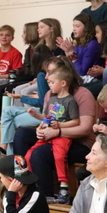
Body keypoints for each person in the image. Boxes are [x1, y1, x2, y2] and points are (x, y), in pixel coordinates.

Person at [13, 58, 96, 200]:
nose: (46, 77)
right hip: (54, 135)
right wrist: (41, 129)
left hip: (79, 142)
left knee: (40, 153)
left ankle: (46, 196)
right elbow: (48, 117)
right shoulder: (50, 94)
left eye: (50, 72)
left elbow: (85, 129)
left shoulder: (83, 94)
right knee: (21, 134)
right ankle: (23, 182)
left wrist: (58, 131)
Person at [25, 65, 81, 204]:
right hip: (49, 133)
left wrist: (60, 126)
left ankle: (63, 187)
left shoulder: (70, 101)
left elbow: (76, 121)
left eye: (51, 82)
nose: (49, 85)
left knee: (59, 156)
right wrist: (36, 116)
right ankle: (31, 185)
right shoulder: (51, 99)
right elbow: (47, 117)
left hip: (62, 136)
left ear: (63, 83)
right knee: (28, 155)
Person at [0, 46, 56, 154]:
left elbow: (42, 103)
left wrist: (23, 97)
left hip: (44, 112)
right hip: (44, 110)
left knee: (12, 121)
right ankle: (5, 150)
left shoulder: (41, 75)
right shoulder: (44, 76)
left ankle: (7, 154)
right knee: (7, 111)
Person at [57, 14, 102, 79]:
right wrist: (65, 54)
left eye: (77, 26)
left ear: (86, 28)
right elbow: (71, 67)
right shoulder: (77, 44)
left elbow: (82, 72)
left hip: (91, 79)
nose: (74, 29)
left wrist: (71, 53)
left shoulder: (92, 45)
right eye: (73, 26)